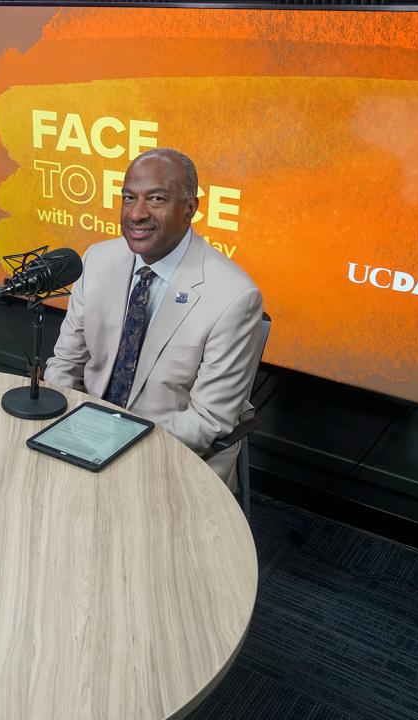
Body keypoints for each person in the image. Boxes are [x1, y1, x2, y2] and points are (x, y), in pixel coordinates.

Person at [45, 149, 264, 488]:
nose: (136, 214)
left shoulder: (233, 297)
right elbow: (66, 362)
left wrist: (115, 441)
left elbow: (207, 421)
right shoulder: (97, 260)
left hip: (169, 455)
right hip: (86, 433)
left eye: (156, 199)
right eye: (128, 198)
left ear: (190, 208)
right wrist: (64, 428)